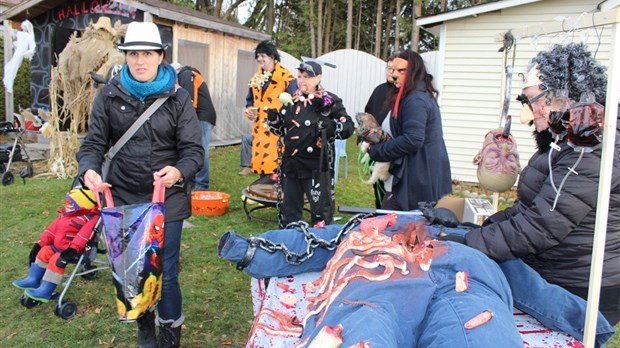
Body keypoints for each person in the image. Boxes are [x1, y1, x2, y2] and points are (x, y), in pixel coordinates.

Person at [459, 42, 620, 325]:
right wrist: (481, 227)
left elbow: (544, 224)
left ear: (564, 95)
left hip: (580, 283)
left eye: (534, 100)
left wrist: (469, 242)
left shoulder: (592, 144)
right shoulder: (565, 137)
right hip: (553, 271)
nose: (531, 111)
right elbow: (531, 206)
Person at [76, 21, 203, 348]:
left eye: (147, 53)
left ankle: (170, 333)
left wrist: (178, 171)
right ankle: (145, 329)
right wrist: (88, 170)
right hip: (123, 198)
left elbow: (193, 151)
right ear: (126, 57)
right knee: (133, 270)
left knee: (166, 270)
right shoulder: (109, 94)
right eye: (133, 54)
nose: (140, 61)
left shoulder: (178, 98)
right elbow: (93, 144)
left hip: (167, 201)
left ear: (161, 56)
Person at [267, 60, 354, 227]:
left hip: (316, 166)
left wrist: (331, 127)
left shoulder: (330, 102)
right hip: (292, 164)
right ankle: (291, 242)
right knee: (290, 212)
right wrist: (274, 120)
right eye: (299, 76)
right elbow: (281, 131)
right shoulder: (290, 102)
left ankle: (321, 244)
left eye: (307, 76)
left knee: (321, 213)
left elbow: (348, 127)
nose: (302, 81)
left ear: (318, 77)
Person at [367, 50, 452, 211]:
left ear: (414, 72)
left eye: (401, 71)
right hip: (414, 175)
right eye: (393, 70)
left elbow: (413, 138)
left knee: (391, 228)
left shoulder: (416, 100)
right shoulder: (411, 94)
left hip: (416, 178)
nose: (394, 75)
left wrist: (378, 151)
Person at [13, 188, 99, 302]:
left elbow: (82, 237)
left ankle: (45, 290)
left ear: (81, 204)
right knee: (44, 252)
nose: (67, 204)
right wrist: (39, 245)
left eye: (70, 202)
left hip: (74, 251)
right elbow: (51, 231)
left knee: (55, 259)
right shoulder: (66, 215)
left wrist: (72, 250)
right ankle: (33, 279)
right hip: (58, 247)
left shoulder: (89, 219)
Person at [241, 40, 297, 177]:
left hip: (278, 130)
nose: (259, 59)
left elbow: (294, 103)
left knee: (278, 165)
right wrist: (249, 109)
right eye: (258, 56)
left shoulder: (286, 77)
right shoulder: (256, 78)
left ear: (272, 57)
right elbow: (250, 100)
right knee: (263, 170)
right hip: (259, 131)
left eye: (262, 56)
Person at [171, 63, 217, 190]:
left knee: (201, 149)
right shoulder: (186, 75)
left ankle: (202, 184)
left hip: (203, 117)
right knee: (193, 148)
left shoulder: (186, 74)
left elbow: (190, 101)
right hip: (198, 117)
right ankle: (193, 181)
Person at [364, 55, 396, 208]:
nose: (391, 72)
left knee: (392, 193)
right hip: (377, 148)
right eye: (388, 68)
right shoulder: (379, 90)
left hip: (394, 149)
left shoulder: (404, 93)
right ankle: (380, 213)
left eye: (394, 69)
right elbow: (368, 114)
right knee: (378, 188)